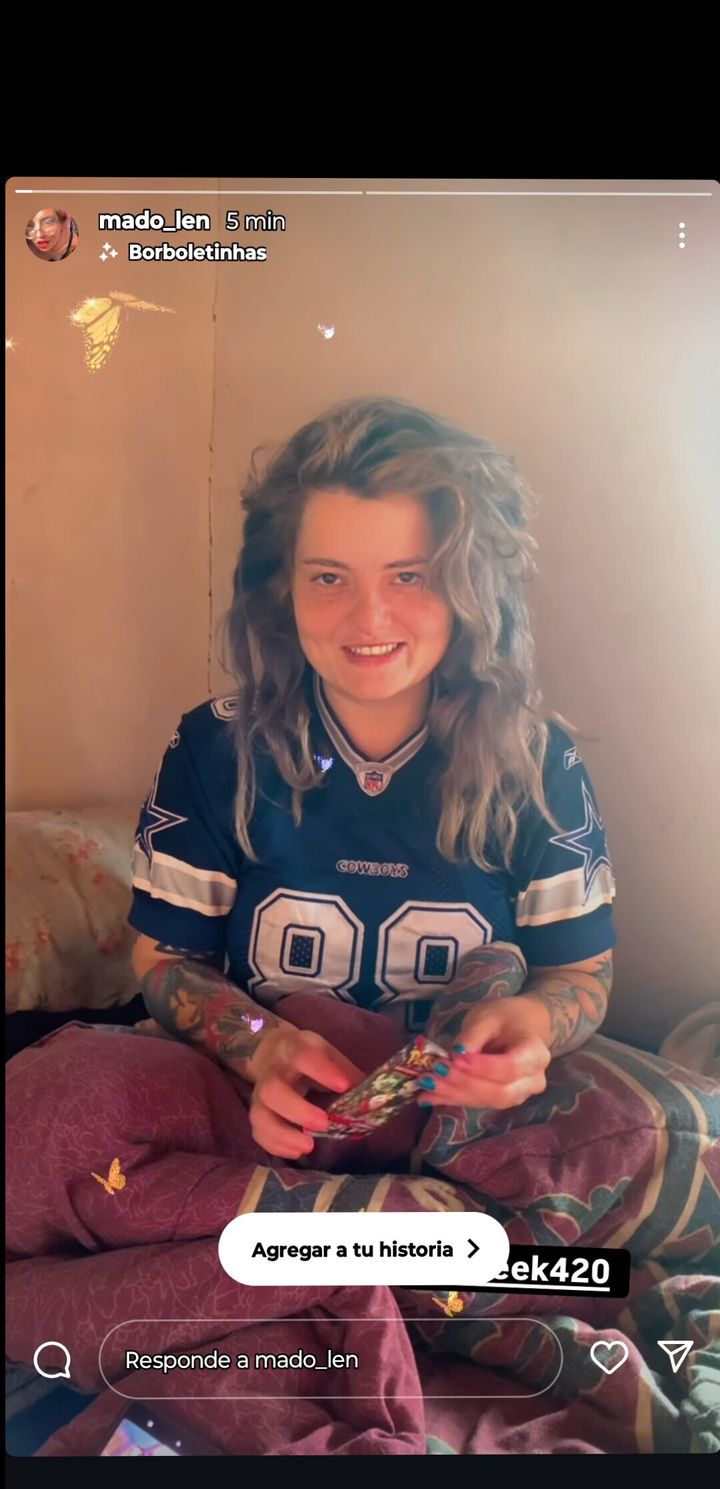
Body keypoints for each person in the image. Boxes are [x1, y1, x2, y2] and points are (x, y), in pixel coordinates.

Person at [128, 396, 617, 1160]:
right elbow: (164, 960)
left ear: (471, 587)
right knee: (56, 1111)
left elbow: (579, 974)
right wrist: (259, 1042)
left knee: (680, 1133)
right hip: (252, 1110)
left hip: (472, 1133)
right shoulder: (217, 748)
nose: (369, 619)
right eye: (329, 577)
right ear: (281, 588)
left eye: (410, 576)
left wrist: (534, 1028)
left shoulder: (534, 761)